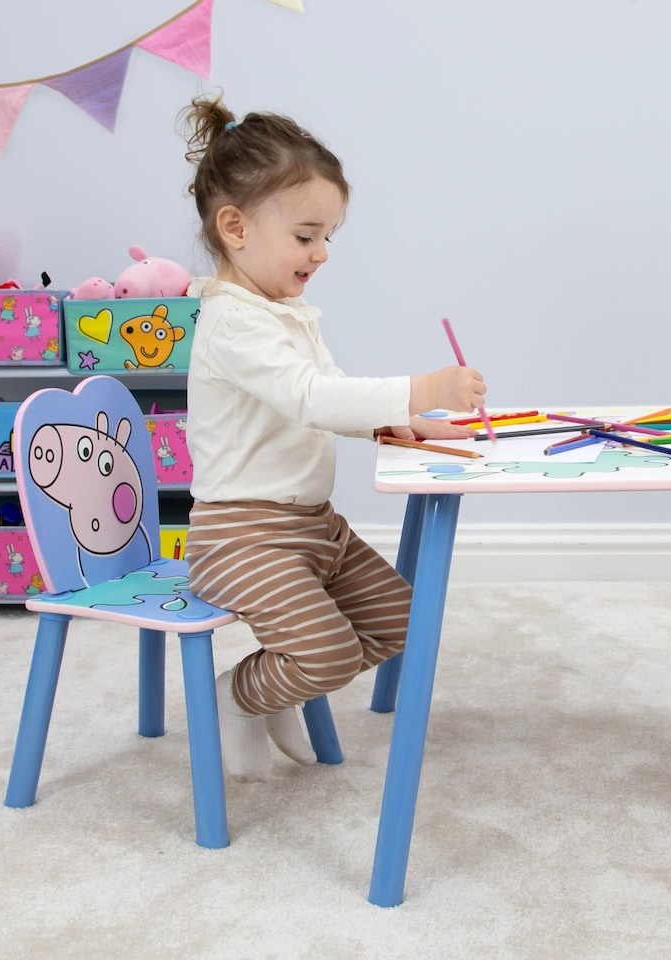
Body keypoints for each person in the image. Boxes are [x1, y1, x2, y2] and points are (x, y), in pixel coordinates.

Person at [178, 91, 487, 782]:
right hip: (240, 537)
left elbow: (327, 395)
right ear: (235, 227)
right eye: (305, 235)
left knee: (400, 620)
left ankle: (277, 685)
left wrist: (394, 422)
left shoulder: (284, 312)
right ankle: (238, 696)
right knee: (327, 654)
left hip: (312, 527)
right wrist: (421, 387)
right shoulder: (234, 322)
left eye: (328, 237)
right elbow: (310, 397)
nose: (320, 253)